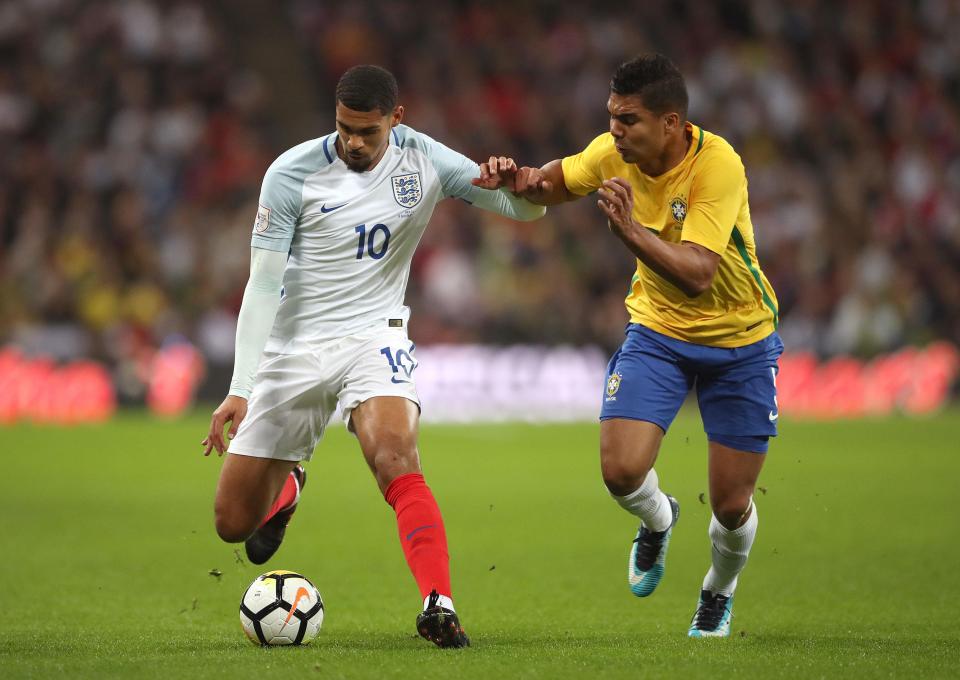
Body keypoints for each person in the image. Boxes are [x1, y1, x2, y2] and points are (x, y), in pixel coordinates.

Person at [201, 64, 544, 649]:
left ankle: (439, 603)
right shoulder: (291, 173)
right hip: (294, 347)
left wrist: (513, 181)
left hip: (374, 337)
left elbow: (525, 213)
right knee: (233, 525)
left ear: (397, 120)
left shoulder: (424, 158)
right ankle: (289, 488)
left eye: (368, 132)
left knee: (395, 456)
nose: (354, 143)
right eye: (344, 129)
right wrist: (241, 385)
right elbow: (262, 285)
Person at [482, 53, 782, 638]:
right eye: (612, 117)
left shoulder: (716, 166)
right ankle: (658, 516)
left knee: (729, 505)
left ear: (671, 123)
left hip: (741, 339)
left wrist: (631, 232)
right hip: (659, 333)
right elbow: (553, 183)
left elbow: (698, 272)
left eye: (629, 120)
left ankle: (718, 590)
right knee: (620, 471)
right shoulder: (610, 153)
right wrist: (519, 180)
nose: (615, 131)